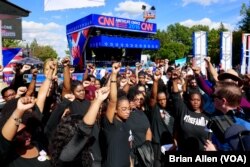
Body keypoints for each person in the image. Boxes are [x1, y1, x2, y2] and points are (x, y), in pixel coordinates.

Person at [49, 87, 110, 167]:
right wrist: (98, 100)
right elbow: (85, 129)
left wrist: (97, 99)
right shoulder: (66, 155)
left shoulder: (85, 152)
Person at [0, 96, 51, 167]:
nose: (27, 135)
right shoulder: (8, 156)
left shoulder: (39, 144)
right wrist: (19, 110)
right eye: (20, 133)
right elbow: (4, 139)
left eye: (27, 130)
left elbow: (41, 101)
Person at [102, 62, 132, 167]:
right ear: (115, 110)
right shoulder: (110, 124)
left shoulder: (126, 124)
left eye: (129, 108)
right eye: (124, 109)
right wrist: (114, 74)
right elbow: (113, 100)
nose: (127, 111)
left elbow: (128, 148)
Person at [204, 82, 250, 151]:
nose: (212, 98)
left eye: (214, 96)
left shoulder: (245, 126)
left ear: (223, 101)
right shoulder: (216, 119)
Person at [171, 76, 209, 151]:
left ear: (201, 101)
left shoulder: (207, 116)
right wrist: (174, 82)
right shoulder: (183, 111)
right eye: (193, 100)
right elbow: (176, 96)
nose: (195, 102)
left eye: (198, 100)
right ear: (189, 100)